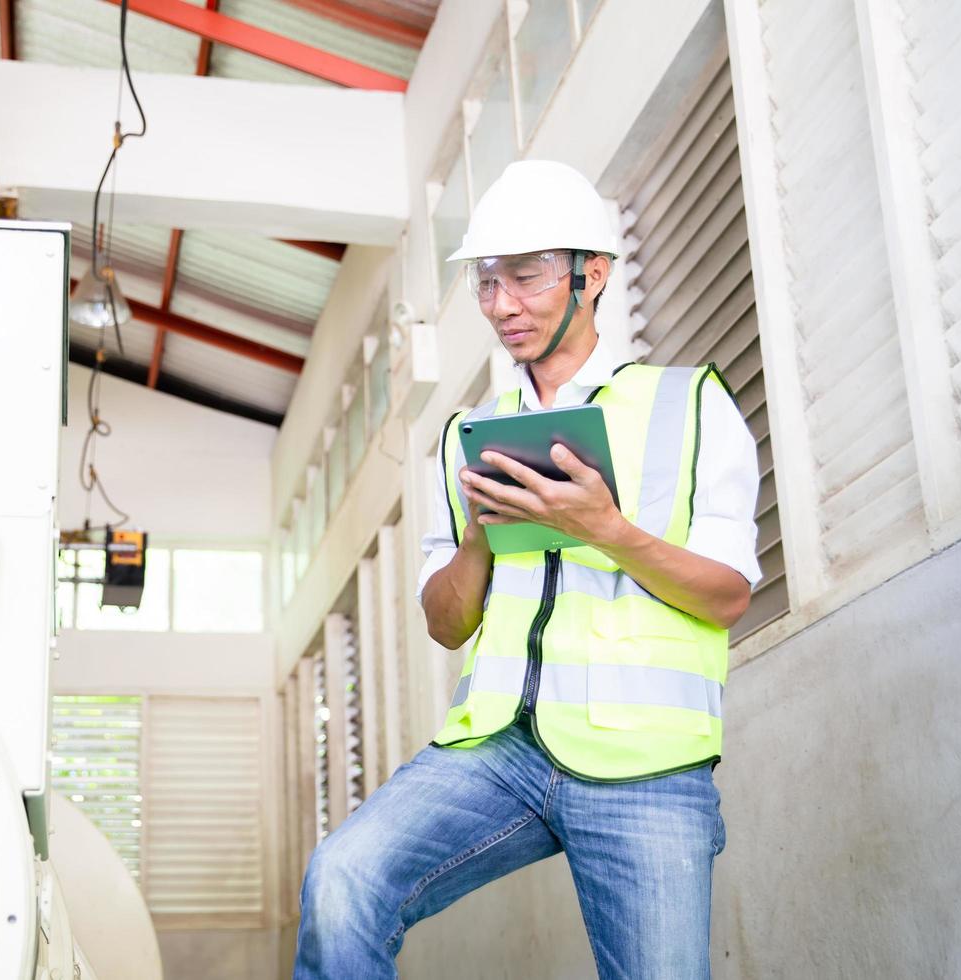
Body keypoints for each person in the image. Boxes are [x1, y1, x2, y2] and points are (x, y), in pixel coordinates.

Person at [293, 159, 762, 979]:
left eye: (528, 276)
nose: (502, 305)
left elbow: (726, 596)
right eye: (486, 281)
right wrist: (478, 535)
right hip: (497, 749)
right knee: (343, 878)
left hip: (646, 763)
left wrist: (606, 530)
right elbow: (447, 625)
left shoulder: (689, 405)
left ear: (594, 274)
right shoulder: (466, 437)